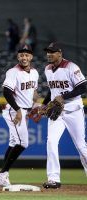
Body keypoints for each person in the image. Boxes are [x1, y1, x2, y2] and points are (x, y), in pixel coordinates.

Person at [41, 42, 87, 189]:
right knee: (51, 142)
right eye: (48, 52)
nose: (49, 54)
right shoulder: (48, 69)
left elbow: (83, 87)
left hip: (74, 111)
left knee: (81, 146)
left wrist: (64, 96)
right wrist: (44, 103)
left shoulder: (71, 67)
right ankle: (53, 178)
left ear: (60, 53)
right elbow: (52, 91)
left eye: (52, 52)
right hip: (57, 112)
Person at [0, 44, 39, 187]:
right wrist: (19, 110)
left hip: (24, 110)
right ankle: (3, 173)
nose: (24, 57)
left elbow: (34, 92)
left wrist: (38, 105)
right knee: (23, 142)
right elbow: (7, 92)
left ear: (31, 57)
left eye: (27, 55)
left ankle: (2, 174)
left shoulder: (35, 73)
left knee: (14, 142)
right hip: (14, 110)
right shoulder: (13, 72)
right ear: (17, 57)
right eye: (21, 55)